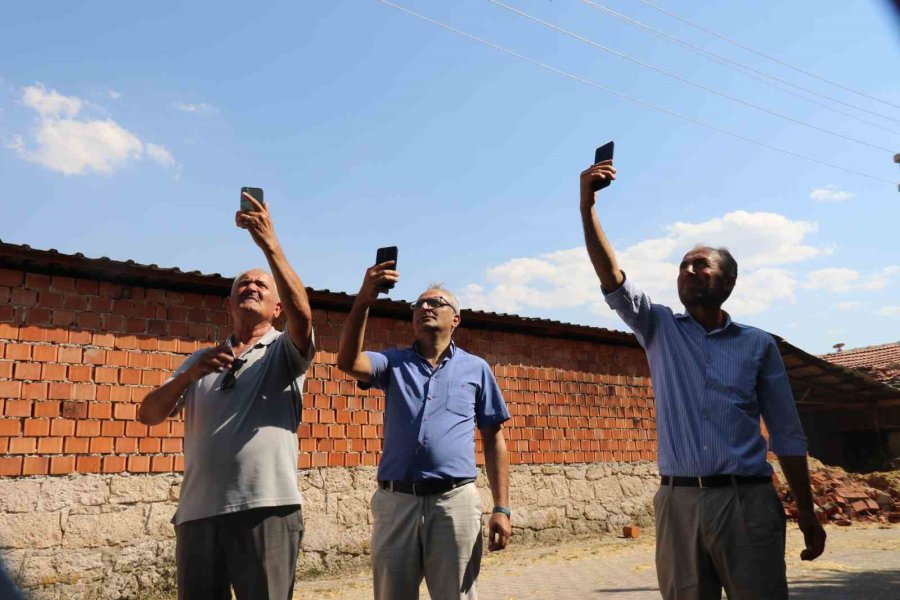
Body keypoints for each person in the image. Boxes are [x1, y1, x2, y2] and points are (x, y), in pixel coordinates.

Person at [579, 159, 826, 599]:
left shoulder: (758, 345)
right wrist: (587, 206)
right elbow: (611, 278)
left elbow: (787, 435)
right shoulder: (658, 328)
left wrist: (807, 511)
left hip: (747, 501)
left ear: (727, 281)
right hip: (679, 504)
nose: (688, 271)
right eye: (682, 266)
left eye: (700, 265)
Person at [138, 192, 314, 600]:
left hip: (266, 508)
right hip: (198, 514)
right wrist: (188, 376)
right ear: (229, 302)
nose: (251, 286)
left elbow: (303, 316)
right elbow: (148, 414)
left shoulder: (283, 352)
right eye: (242, 284)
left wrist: (268, 242)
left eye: (261, 285)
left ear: (276, 309)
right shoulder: (201, 359)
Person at [336, 262, 512, 600]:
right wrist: (364, 300)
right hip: (396, 502)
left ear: (455, 319)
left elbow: (494, 439)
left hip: (454, 502)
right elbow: (347, 362)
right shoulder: (393, 363)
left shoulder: (476, 369)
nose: (425, 308)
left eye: (435, 303)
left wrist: (502, 508)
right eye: (418, 305)